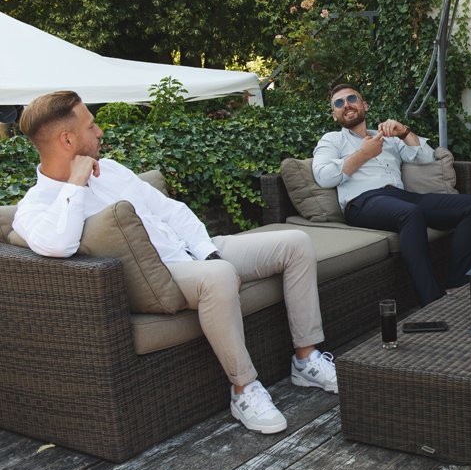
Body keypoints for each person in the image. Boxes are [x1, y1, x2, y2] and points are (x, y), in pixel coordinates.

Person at [12, 91, 337, 435]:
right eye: (92, 126)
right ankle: (244, 390)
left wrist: (208, 253)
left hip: (194, 252)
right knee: (219, 276)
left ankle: (306, 358)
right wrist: (76, 182)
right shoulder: (36, 206)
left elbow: (171, 211)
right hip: (161, 276)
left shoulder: (110, 170)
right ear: (67, 139)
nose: (100, 132)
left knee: (295, 243)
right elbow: (60, 244)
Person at [312, 84, 471, 306]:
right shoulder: (332, 140)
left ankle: (459, 283)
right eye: (339, 103)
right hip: (363, 203)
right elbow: (324, 176)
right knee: (410, 213)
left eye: (351, 98)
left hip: (400, 197)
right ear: (335, 115)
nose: (346, 104)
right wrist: (363, 154)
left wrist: (403, 132)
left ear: (364, 105)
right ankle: (432, 300)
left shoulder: (387, 136)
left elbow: (425, 157)